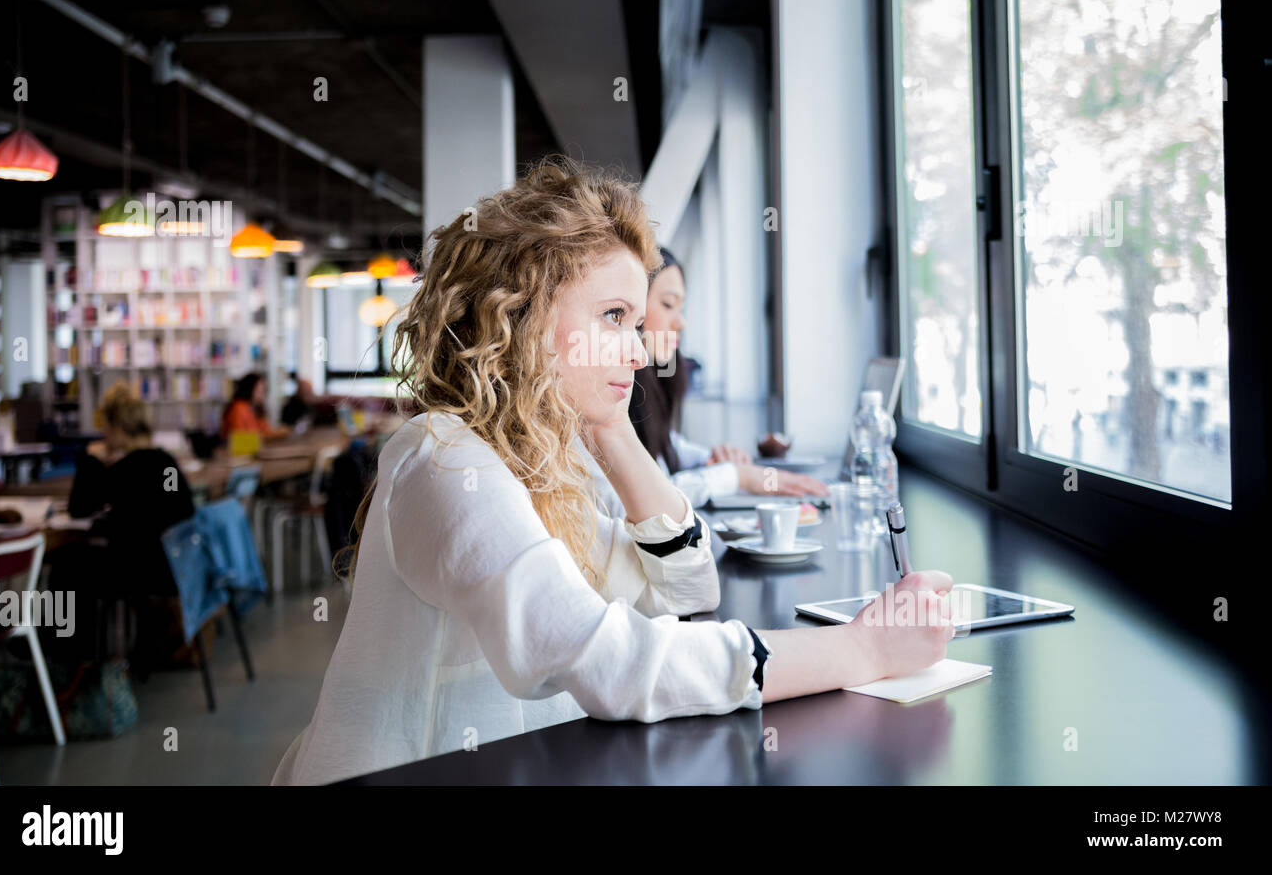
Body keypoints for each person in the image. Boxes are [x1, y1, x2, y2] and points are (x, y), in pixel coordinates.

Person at [271, 158, 955, 786]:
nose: (640, 353)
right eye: (614, 318)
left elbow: (686, 589)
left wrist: (614, 432)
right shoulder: (445, 459)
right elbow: (609, 663)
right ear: (525, 316)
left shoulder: (545, 455)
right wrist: (862, 650)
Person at [586, 246, 830, 517]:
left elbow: (662, 444)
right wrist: (733, 476)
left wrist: (709, 460)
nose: (681, 322)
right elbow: (631, 501)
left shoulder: (650, 384)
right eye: (667, 305)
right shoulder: (595, 396)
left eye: (681, 307)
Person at [52, 383, 196, 674]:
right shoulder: (165, 462)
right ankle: (79, 654)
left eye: (105, 424)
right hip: (173, 568)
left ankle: (67, 656)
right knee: (76, 564)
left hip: (136, 573)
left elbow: (79, 507)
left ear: (116, 426)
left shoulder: (123, 470)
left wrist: (91, 458)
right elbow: (186, 509)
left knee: (66, 565)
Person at [221, 372, 289, 441]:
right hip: (237, 450)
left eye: (264, 390)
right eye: (260, 390)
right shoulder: (239, 408)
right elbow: (241, 438)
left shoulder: (256, 408)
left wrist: (278, 431)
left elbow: (265, 430)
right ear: (249, 389)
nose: (262, 394)